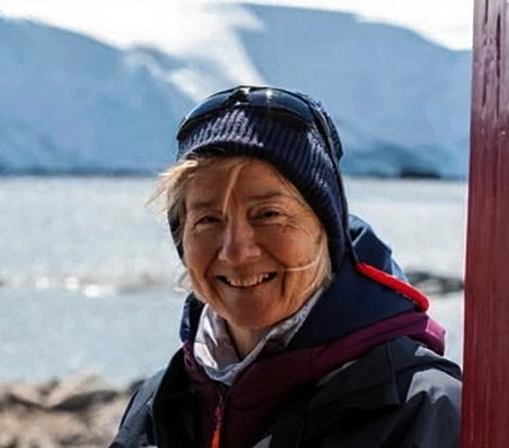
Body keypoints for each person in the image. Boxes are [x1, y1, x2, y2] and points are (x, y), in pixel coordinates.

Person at [111, 86, 461, 448]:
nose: (236, 251)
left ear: (326, 228)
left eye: (268, 214)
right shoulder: (155, 407)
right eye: (208, 219)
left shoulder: (423, 408)